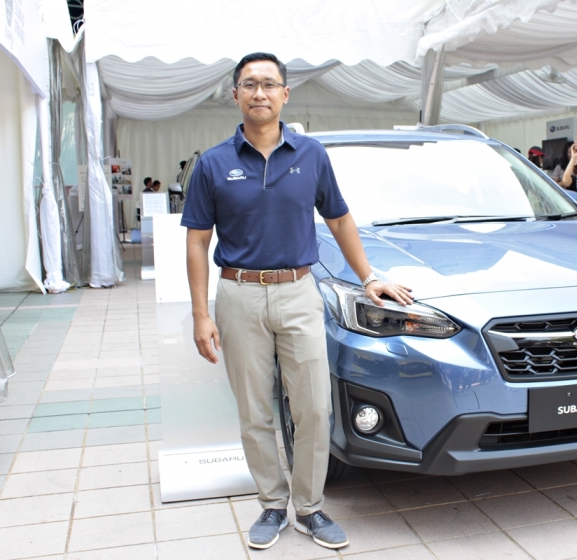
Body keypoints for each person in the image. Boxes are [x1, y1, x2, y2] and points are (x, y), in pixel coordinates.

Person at [181, 52, 412, 552]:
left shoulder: (311, 155)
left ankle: (309, 508)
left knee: (314, 407)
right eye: (249, 84)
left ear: (285, 94)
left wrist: (369, 277)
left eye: (269, 84)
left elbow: (339, 219)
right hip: (238, 294)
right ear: (235, 95)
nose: (259, 93)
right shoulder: (213, 164)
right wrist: (201, 314)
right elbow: (197, 241)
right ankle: (272, 504)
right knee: (254, 410)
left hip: (299, 291)